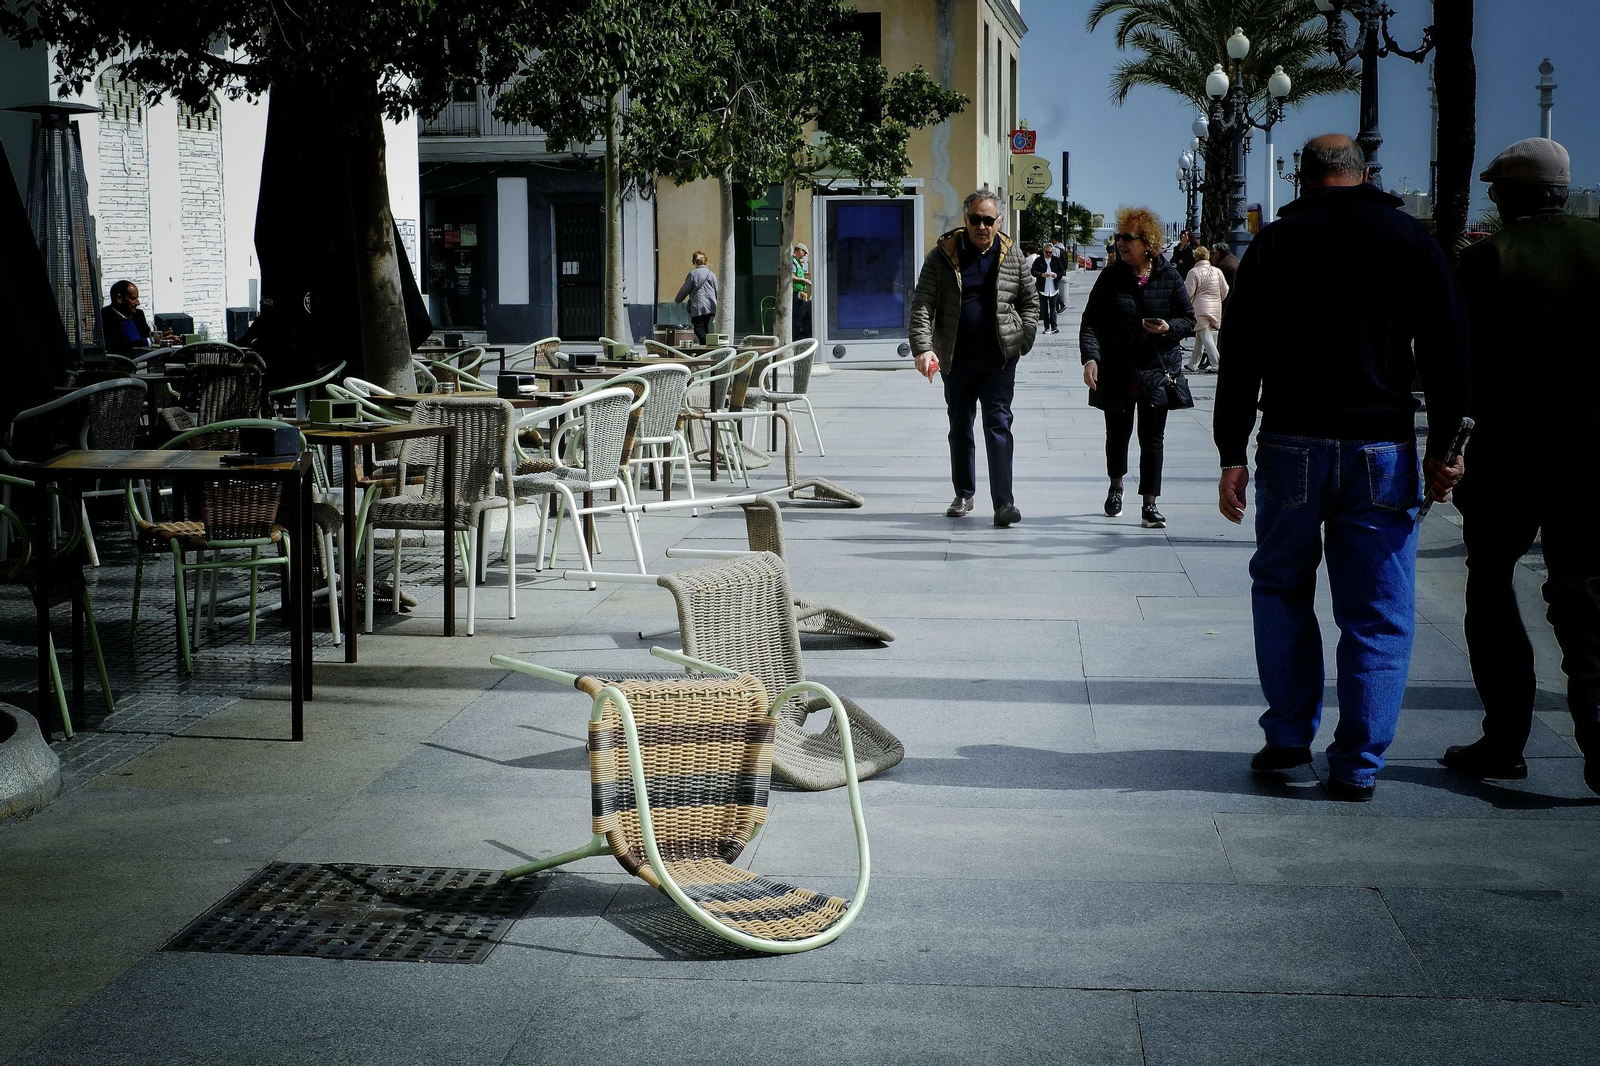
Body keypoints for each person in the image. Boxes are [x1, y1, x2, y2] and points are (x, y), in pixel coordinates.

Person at [1214, 134, 1469, 802]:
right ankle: (1357, 765)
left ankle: (1287, 738)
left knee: (1281, 589)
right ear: (1366, 173)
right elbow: (1447, 349)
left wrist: (1230, 452)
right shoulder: (1409, 240)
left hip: (1290, 442)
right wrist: (1446, 448)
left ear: (1302, 177)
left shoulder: (1274, 244)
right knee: (1378, 613)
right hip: (1381, 448)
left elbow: (1240, 354)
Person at [1441, 137, 1600, 794]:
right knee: (1584, 590)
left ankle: (1505, 739)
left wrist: (1447, 449)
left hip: (1509, 456)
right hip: (1592, 456)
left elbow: (1458, 366)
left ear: (1508, 194)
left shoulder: (1489, 259)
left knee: (1491, 583)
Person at [909, 190, 1039, 527]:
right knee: (960, 428)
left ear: (999, 221)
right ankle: (964, 493)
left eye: (988, 220)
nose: (982, 226)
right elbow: (922, 304)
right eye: (975, 219)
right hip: (957, 359)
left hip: (999, 360)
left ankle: (1004, 504)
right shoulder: (943, 254)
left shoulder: (1012, 254)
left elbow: (1030, 301)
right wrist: (923, 348)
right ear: (965, 220)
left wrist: (1023, 338)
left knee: (999, 426)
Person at [1079, 206, 1195, 530]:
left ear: (1147, 242)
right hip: (1117, 371)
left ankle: (1150, 504)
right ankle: (1116, 487)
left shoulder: (1168, 275)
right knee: (1117, 435)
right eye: (1118, 237)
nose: (1120, 243)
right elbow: (1091, 322)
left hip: (1156, 371)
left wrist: (1167, 328)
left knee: (1152, 438)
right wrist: (1090, 358)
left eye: (1128, 238)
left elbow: (1189, 318)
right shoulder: (1110, 276)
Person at [1183, 245, 1228, 373]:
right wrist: (1217, 300)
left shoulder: (1193, 272)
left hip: (1199, 308)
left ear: (1196, 257)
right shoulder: (1217, 271)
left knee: (1206, 336)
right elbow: (1225, 290)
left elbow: (1188, 292)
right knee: (1201, 335)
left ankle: (1217, 363)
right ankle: (1193, 364)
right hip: (1215, 306)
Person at [101, 279, 172, 354]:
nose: (138, 303)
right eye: (133, 299)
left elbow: (147, 337)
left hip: (146, 358)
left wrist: (162, 338)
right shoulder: (106, 316)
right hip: (125, 360)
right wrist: (151, 340)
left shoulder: (138, 315)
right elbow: (116, 346)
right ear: (119, 298)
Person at [675, 251, 719, 345]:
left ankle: (705, 343)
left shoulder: (693, 274)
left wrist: (678, 299)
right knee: (705, 327)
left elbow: (685, 288)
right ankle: (705, 347)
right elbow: (717, 290)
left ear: (694, 262)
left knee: (697, 326)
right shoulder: (712, 274)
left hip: (698, 305)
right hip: (711, 305)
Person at [1031, 242, 1063, 334]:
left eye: (1050, 252)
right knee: (1044, 309)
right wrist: (1041, 274)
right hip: (1042, 288)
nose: (1048, 254)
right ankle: (1046, 327)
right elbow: (1033, 271)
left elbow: (1062, 271)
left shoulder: (1056, 260)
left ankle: (1054, 327)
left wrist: (1057, 275)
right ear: (1043, 252)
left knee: (1053, 309)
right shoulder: (1039, 260)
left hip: (1053, 288)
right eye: (1047, 252)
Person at [791, 242, 812, 340]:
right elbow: (791, 276)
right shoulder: (793, 261)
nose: (804, 255)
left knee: (800, 314)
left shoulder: (798, 262)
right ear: (799, 250)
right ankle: (796, 335)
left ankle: (799, 333)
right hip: (795, 292)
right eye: (804, 253)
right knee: (796, 314)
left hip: (800, 292)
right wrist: (804, 280)